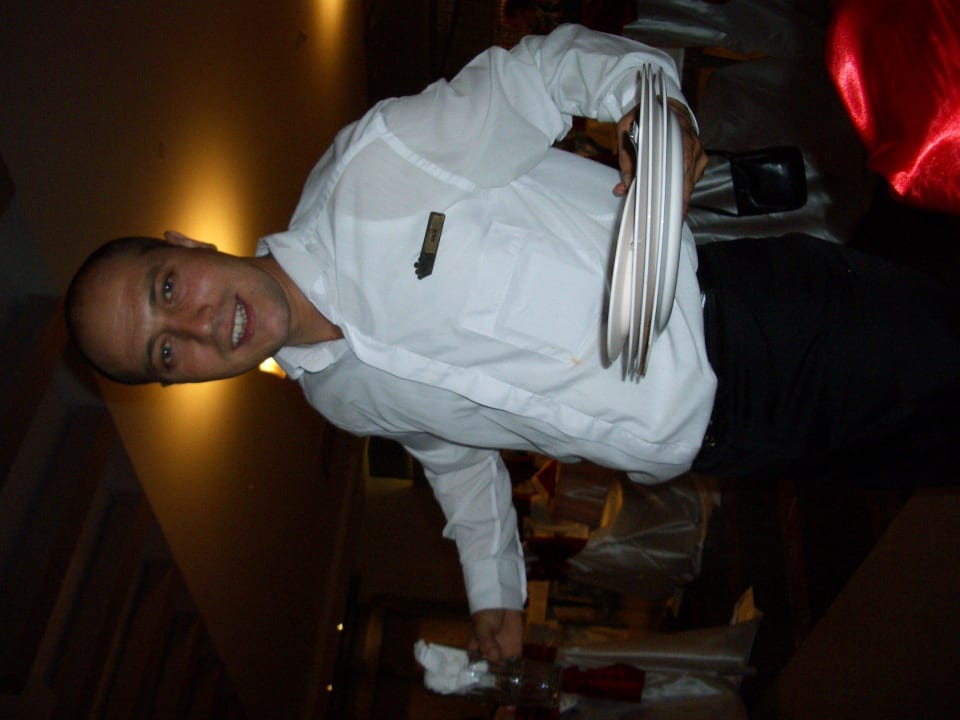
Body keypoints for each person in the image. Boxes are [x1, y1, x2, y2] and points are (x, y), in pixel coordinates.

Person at [65, 24, 959, 665]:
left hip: (760, 321)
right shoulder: (334, 396)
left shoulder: (372, 172)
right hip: (729, 448)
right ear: (182, 382)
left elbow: (543, 74)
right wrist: (492, 590)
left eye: (167, 290)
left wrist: (652, 107)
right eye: (166, 354)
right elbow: (453, 457)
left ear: (186, 244)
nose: (195, 327)